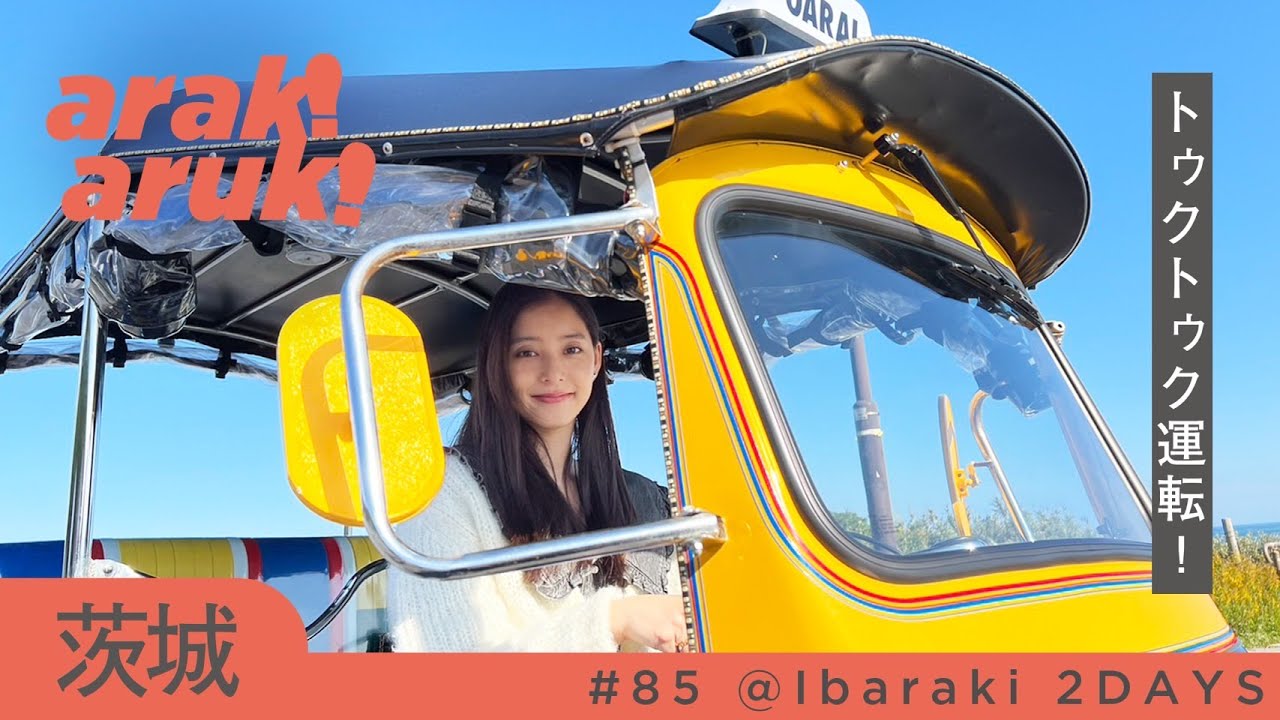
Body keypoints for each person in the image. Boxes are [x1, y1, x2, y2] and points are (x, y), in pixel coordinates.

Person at [386, 283, 687, 652]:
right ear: (498, 365)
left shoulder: (644, 498)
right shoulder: (443, 492)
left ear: (596, 359)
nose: (553, 372)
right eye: (527, 353)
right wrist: (613, 622)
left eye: (571, 349)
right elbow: (444, 663)